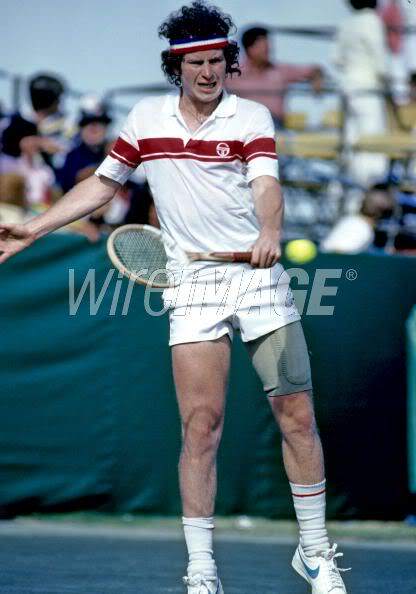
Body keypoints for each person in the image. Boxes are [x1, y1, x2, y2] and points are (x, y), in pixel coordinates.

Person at [0, 3, 349, 593]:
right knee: (201, 427)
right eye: (196, 63)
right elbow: (103, 184)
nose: (207, 72)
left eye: (216, 61)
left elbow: (266, 184)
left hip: (258, 282)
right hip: (192, 284)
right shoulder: (145, 118)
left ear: (228, 63)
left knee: (296, 415)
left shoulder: (251, 116)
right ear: (176, 67)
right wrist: (33, 228)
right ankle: (202, 571)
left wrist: (270, 229)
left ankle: (315, 553)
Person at [333, 0, 389, 188]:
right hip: (368, 88)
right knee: (371, 142)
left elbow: (336, 59)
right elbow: (381, 63)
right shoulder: (372, 20)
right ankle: (370, 189)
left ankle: (350, 191)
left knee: (350, 143)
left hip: (347, 88)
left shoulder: (346, 22)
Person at [226, 25, 321, 127]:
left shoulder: (280, 70)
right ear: (249, 48)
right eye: (262, 46)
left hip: (274, 125)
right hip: (243, 125)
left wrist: (317, 78)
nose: (268, 49)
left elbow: (315, 70)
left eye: (268, 46)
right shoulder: (232, 73)